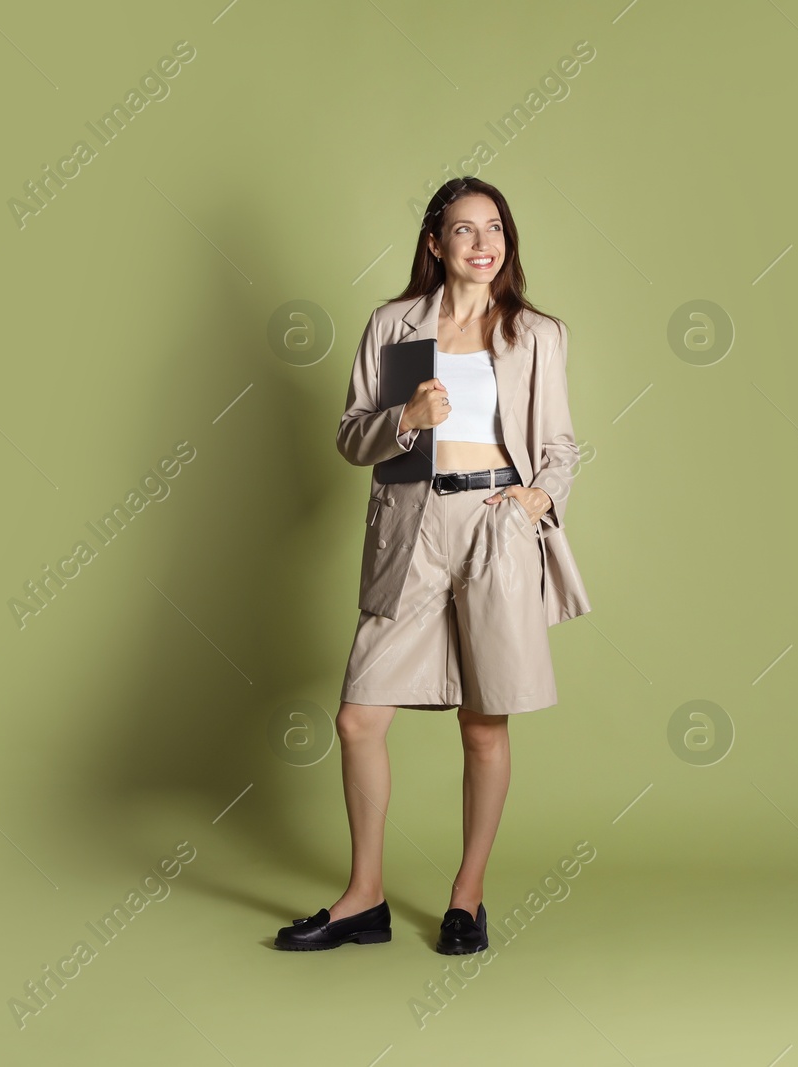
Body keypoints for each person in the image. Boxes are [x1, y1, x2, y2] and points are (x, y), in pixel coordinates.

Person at [274, 177, 591, 954]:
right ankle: (364, 897)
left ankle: (467, 896)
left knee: (484, 726)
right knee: (357, 717)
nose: (484, 243)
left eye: (495, 229)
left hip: (495, 526)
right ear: (434, 243)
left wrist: (534, 502)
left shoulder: (535, 333)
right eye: (464, 229)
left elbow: (559, 447)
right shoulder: (395, 325)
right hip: (410, 527)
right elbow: (352, 437)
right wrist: (404, 419)